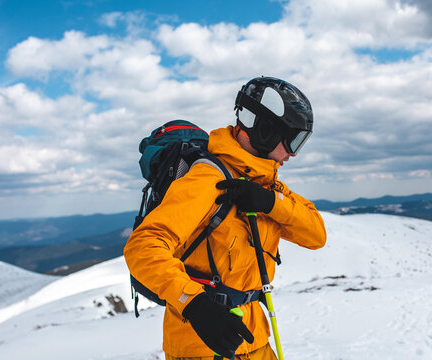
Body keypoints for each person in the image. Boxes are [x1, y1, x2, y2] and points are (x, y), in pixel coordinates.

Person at [124, 76, 327, 359]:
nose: (293, 153)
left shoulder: (267, 185)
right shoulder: (209, 178)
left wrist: (270, 204)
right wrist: (194, 305)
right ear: (266, 131)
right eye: (293, 139)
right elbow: (142, 247)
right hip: (203, 345)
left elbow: (317, 235)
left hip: (255, 338)